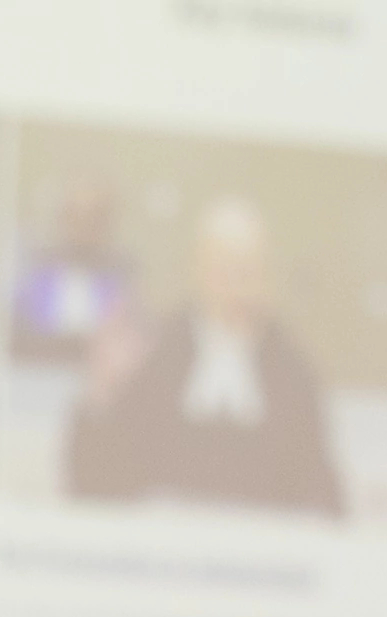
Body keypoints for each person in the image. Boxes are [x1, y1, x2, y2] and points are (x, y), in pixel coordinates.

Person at [69, 196, 350, 516]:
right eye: (225, 266)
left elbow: (323, 497)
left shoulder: (292, 374)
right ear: (198, 268)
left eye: (249, 268)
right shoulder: (155, 356)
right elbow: (96, 485)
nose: (238, 282)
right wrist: (99, 395)